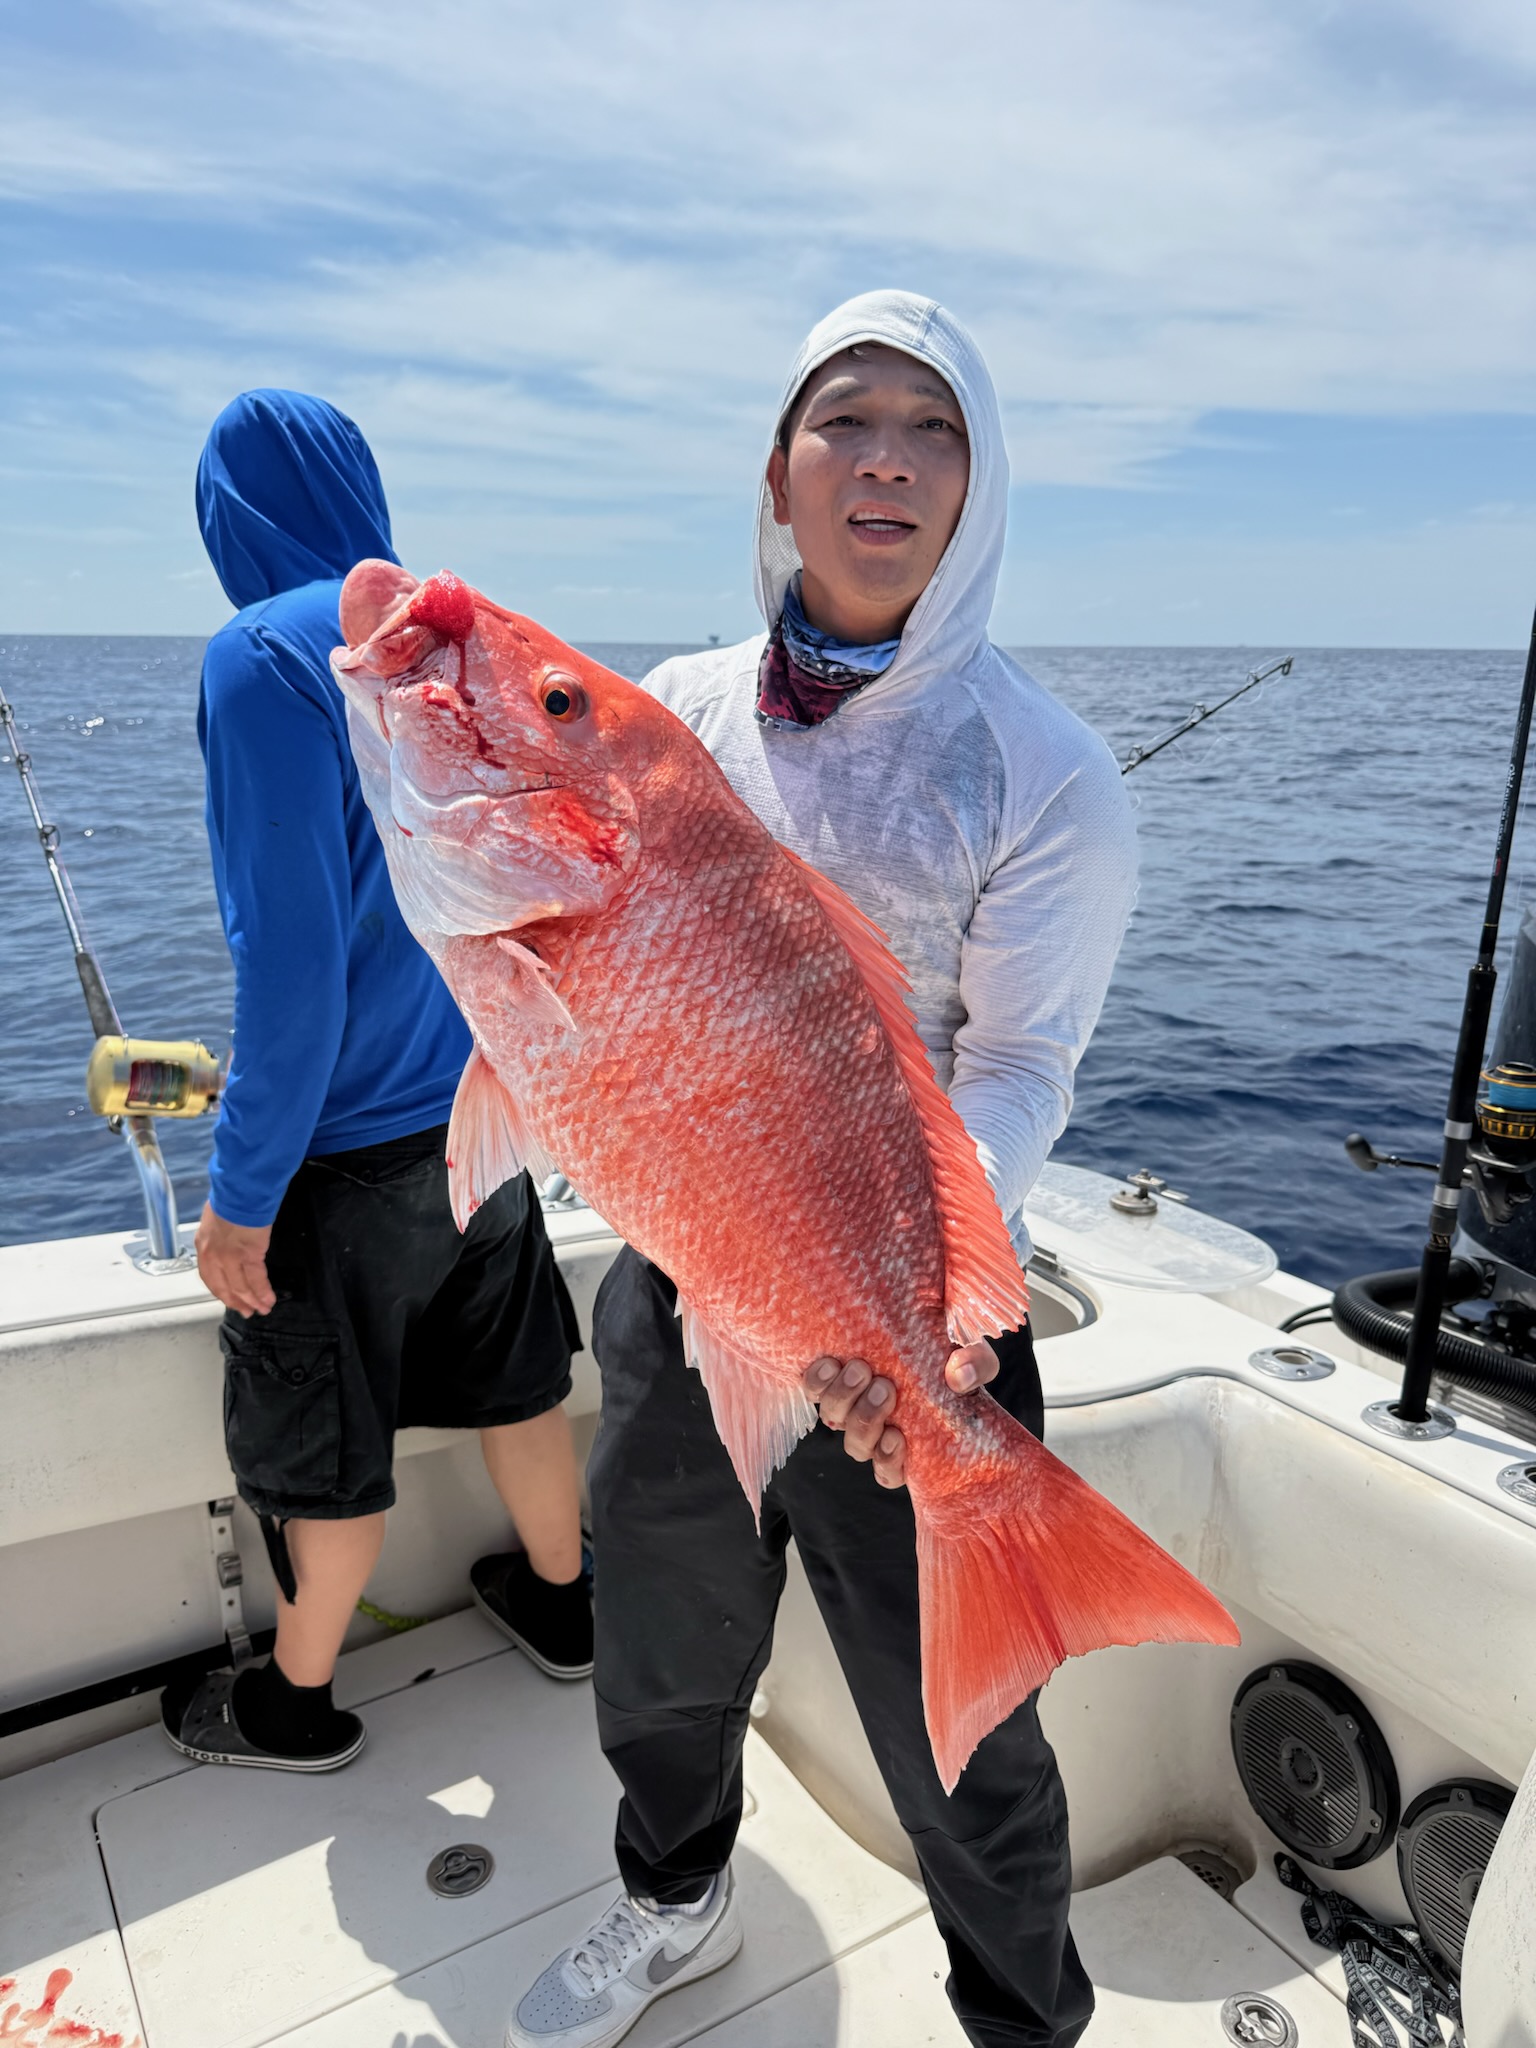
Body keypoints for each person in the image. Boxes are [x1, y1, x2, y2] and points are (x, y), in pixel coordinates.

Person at [504, 292, 1137, 2048]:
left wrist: (926, 1296)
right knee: (660, 1633)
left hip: (908, 1306)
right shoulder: (662, 717)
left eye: (934, 430)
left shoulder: (1049, 771)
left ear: (979, 484)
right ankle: (675, 1897)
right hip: (692, 1262)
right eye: (844, 420)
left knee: (968, 1735)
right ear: (777, 476)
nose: (887, 461)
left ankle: (1024, 2019)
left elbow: (1019, 1066)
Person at [163, 389, 591, 1774]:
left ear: (225, 520)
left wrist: (240, 1197)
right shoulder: (447, 639)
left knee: (327, 1443)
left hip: (335, 1158)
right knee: (517, 1382)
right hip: (486, 1117)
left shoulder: (260, 656)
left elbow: (287, 963)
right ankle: (568, 1604)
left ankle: (294, 1699)